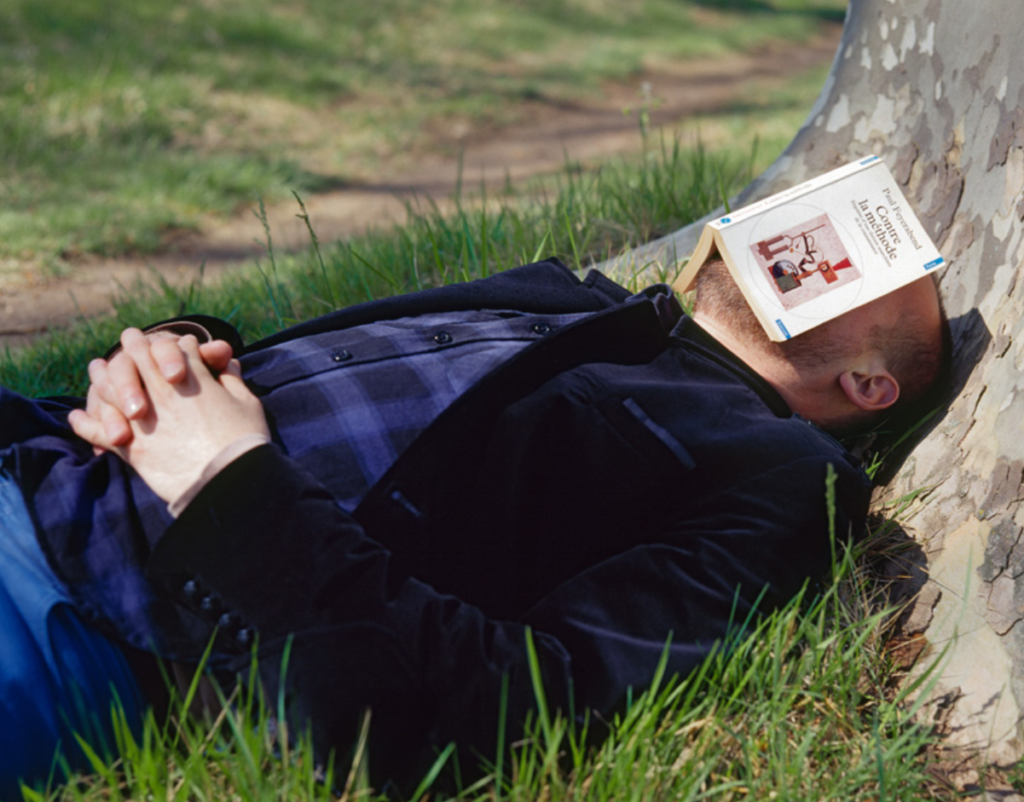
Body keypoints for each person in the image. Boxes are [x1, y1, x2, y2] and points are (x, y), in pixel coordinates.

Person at [0, 256, 948, 791]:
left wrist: (223, 479)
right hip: (36, 440)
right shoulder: (577, 297)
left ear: (871, 382)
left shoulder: (785, 479)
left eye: (901, 261)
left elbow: (514, 702)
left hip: (77, 605)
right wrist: (175, 351)